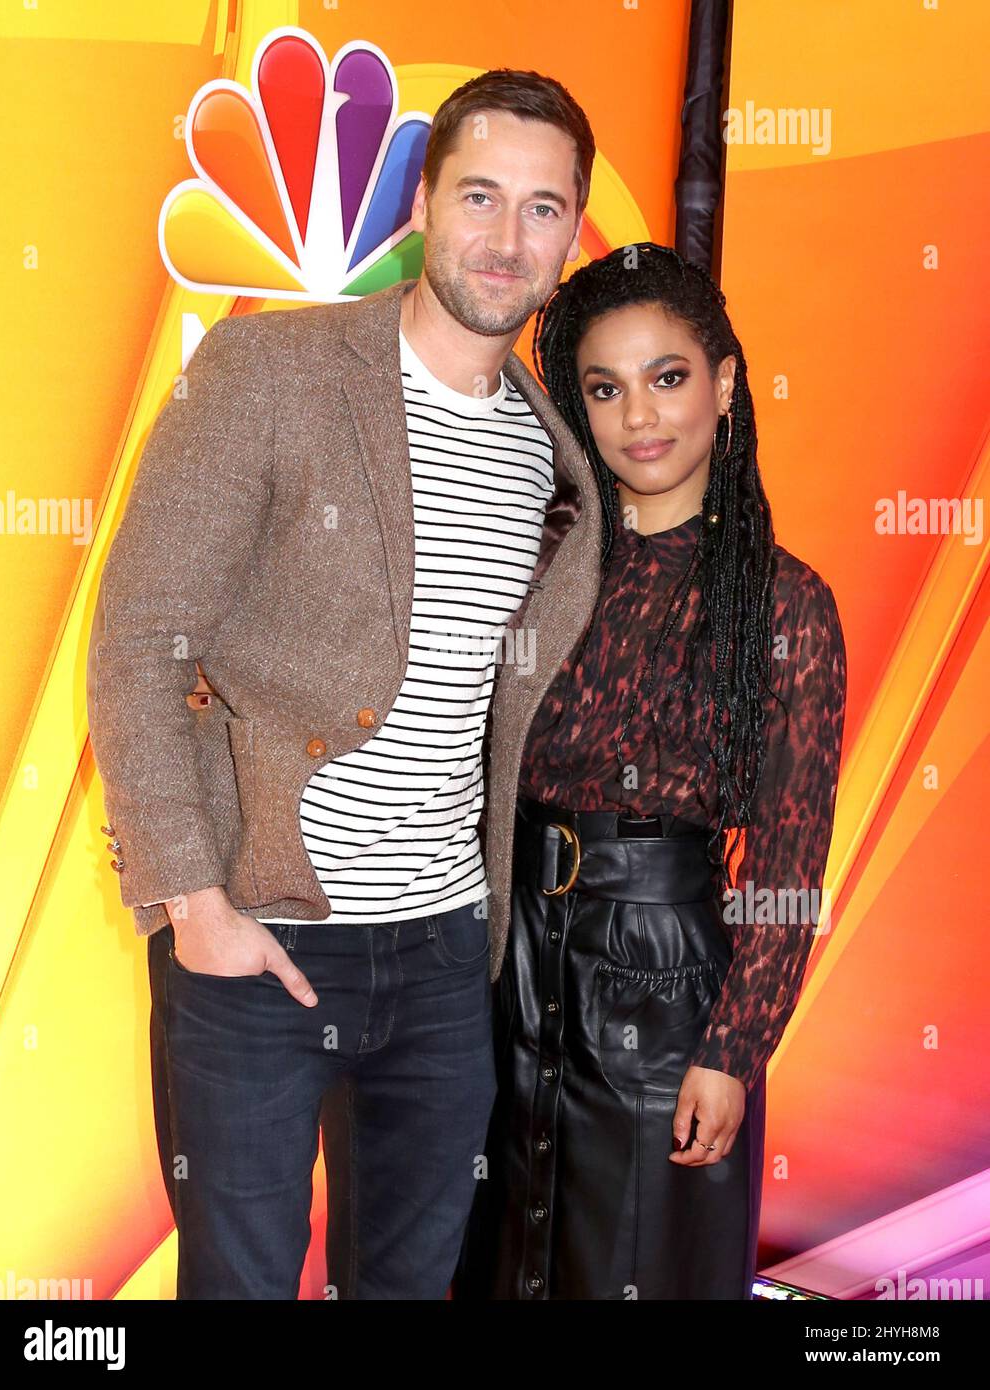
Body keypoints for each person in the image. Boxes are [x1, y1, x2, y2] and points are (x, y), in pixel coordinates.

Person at [85, 68, 605, 1299]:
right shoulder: (273, 370)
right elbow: (138, 636)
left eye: (542, 208)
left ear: (572, 235)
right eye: (479, 194)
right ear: (423, 204)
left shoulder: (552, 450)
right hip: (259, 941)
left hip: (435, 956)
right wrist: (194, 906)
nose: (506, 235)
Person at [452, 241, 847, 1300]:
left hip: (666, 982)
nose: (639, 416)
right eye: (604, 388)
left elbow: (788, 862)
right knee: (496, 1266)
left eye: (667, 377)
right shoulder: (537, 570)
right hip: (504, 955)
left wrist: (732, 1047)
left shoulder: (784, 605)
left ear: (722, 384)